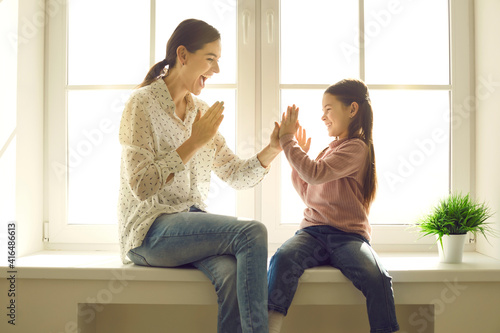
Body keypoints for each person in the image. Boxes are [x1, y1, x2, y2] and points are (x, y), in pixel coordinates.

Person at [117, 19, 281, 333]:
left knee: (233, 275)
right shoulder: (142, 105)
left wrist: (272, 149)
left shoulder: (201, 112)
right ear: (183, 54)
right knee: (252, 232)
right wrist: (193, 142)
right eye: (210, 59)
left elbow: (235, 174)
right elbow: (141, 185)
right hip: (149, 230)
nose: (216, 70)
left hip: (188, 227)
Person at [267, 79, 400, 333]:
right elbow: (308, 191)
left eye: (328, 109)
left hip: (347, 238)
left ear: (352, 110)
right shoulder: (328, 151)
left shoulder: (357, 148)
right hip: (312, 233)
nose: (323, 117)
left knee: (378, 278)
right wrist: (299, 159)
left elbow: (315, 174)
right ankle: (269, 327)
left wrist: (288, 141)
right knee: (282, 258)